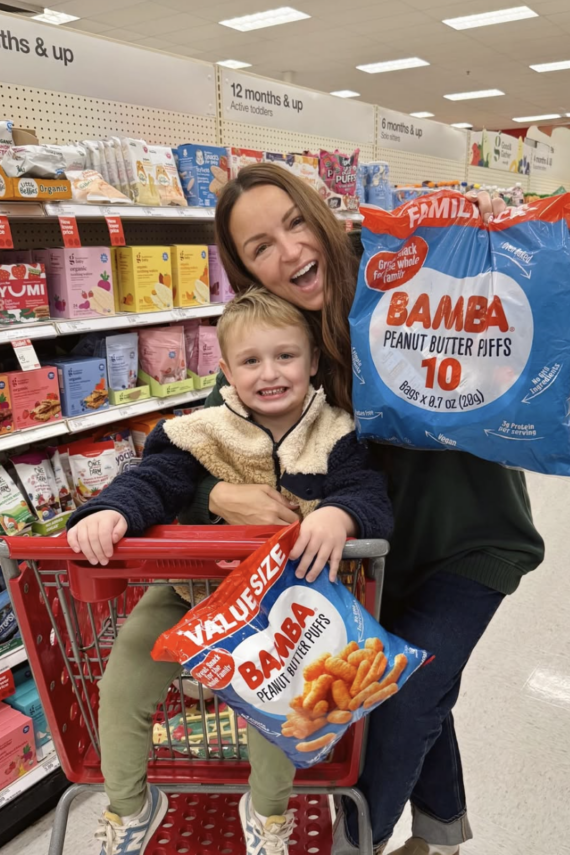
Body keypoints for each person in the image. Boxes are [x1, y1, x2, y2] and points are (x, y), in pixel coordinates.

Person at [181, 164, 545, 855]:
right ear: (246, 271)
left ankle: (357, 844)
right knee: (420, 685)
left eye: (295, 223)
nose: (290, 251)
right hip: (369, 565)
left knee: (403, 696)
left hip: (472, 541)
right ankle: (441, 836)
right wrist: (215, 495)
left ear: (321, 214)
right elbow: (195, 444)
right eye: (260, 247)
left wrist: (487, 237)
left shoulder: (403, 269)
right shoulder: (273, 338)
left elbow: (513, 298)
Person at [67, 287, 393, 855]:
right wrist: (110, 510)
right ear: (225, 370)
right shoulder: (201, 430)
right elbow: (155, 480)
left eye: (285, 356)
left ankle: (266, 815)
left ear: (313, 361)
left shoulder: (337, 434)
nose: (270, 373)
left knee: (284, 707)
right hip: (190, 590)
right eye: (250, 361)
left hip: (289, 608)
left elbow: (369, 494)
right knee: (121, 684)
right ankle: (130, 806)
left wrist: (339, 514)